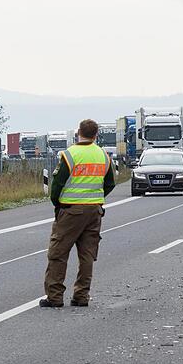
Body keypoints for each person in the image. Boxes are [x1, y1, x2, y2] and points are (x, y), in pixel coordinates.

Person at [40, 119, 115, 308]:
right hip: (94, 210)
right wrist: (95, 197)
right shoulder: (103, 155)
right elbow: (110, 183)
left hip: (71, 210)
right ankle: (81, 296)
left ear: (78, 133)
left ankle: (55, 297)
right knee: (87, 254)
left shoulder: (70, 155)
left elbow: (57, 184)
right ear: (96, 135)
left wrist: (57, 203)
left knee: (58, 252)